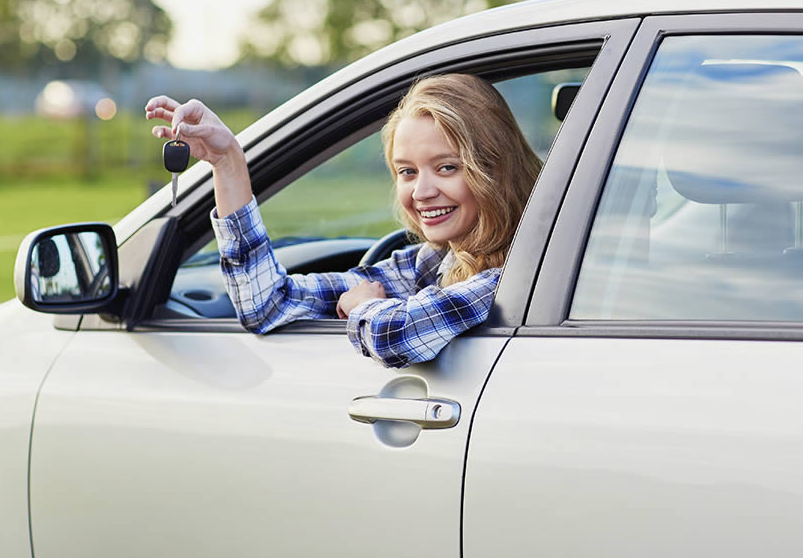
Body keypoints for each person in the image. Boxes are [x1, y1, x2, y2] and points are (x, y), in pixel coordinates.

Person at [145, 74, 542, 367]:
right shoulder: (431, 263)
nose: (421, 192)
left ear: (495, 168)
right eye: (407, 172)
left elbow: (396, 335)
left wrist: (363, 306)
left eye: (447, 167)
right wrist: (227, 162)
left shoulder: (516, 274)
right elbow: (268, 304)